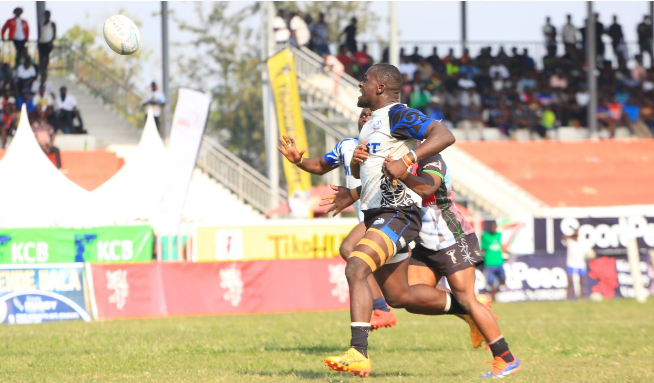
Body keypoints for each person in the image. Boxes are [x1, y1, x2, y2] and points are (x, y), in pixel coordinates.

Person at [323, 64, 517, 379]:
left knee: (466, 295)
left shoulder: (425, 153)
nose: (360, 84)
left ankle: (505, 356)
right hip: (421, 236)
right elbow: (383, 179)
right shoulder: (384, 140)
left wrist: (406, 163)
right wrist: (356, 193)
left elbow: (426, 183)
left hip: (449, 236)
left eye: (366, 80)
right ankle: (466, 313)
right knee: (402, 297)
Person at [277, 108, 399, 330]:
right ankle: (467, 306)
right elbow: (321, 166)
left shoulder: (389, 146)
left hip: (389, 215)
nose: (365, 118)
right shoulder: (346, 146)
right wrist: (299, 162)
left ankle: (381, 309)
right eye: (362, 114)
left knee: (349, 248)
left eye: (371, 116)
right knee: (408, 295)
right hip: (370, 220)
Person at [563, 230, 593, 300]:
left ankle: (580, 298)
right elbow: (563, 238)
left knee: (581, 282)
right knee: (570, 282)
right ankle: (568, 298)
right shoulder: (570, 241)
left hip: (581, 264)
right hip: (571, 264)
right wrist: (571, 235)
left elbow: (590, 253)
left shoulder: (582, 243)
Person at [481, 222, 505, 302]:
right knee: (490, 281)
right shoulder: (485, 236)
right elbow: (481, 249)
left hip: (499, 262)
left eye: (494, 227)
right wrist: (477, 256)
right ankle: (493, 295)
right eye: (491, 227)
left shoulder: (500, 235)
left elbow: (503, 246)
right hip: (489, 262)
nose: (493, 228)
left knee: (503, 278)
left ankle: (496, 290)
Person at [37, 10, 56, 76]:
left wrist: (51, 41)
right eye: (46, 15)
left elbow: (54, 34)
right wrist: (38, 41)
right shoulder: (41, 23)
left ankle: (44, 69)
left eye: (48, 15)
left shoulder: (52, 24)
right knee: (41, 57)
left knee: (46, 56)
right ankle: (41, 70)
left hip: (48, 43)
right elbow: (40, 33)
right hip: (41, 42)